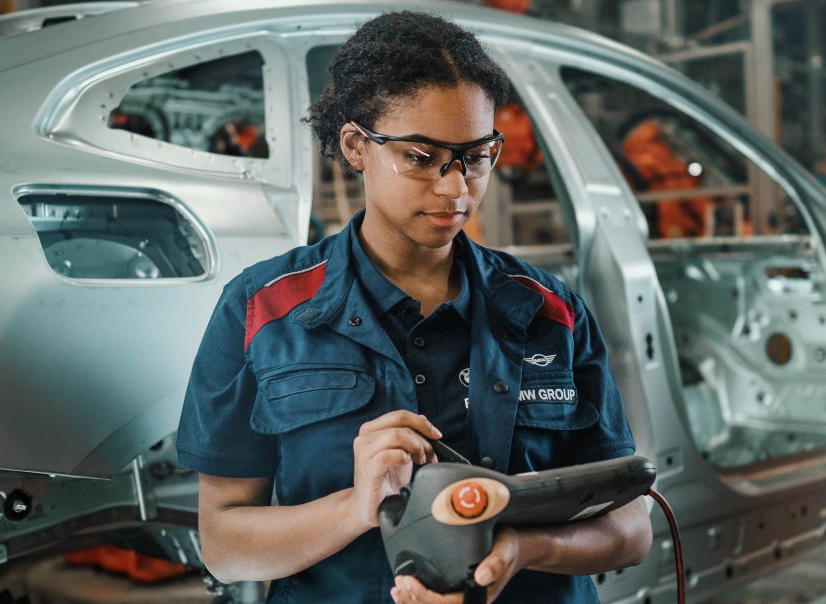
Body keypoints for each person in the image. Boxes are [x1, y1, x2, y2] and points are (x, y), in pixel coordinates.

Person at [176, 11, 652, 603]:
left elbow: (632, 528)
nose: (456, 190)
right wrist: (356, 507)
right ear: (356, 145)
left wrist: (525, 548)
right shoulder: (261, 309)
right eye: (422, 157)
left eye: (476, 156)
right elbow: (224, 544)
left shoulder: (553, 312)